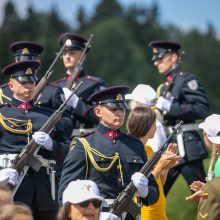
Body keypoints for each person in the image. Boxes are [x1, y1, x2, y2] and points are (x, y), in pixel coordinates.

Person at [58, 86, 159, 219]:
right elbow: (66, 193)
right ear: (98, 111)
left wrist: (144, 190)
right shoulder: (84, 145)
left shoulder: (135, 145)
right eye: (113, 109)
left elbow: (154, 194)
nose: (119, 113)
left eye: (122, 109)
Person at [0, 60, 73, 220]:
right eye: (24, 82)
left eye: (32, 82)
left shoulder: (49, 115)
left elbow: (67, 150)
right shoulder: (2, 114)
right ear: (11, 86)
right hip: (10, 187)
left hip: (44, 189)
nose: (29, 86)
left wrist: (51, 145)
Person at [148, 40, 209, 195]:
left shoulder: (187, 80)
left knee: (203, 195)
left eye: (160, 58)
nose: (156, 63)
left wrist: (170, 107)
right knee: (156, 194)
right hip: (169, 147)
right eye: (155, 59)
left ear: (174, 57)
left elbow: (201, 109)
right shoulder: (164, 86)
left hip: (187, 147)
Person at [126, 106, 180, 220]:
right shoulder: (131, 151)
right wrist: (160, 166)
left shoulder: (149, 149)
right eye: (154, 122)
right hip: (146, 211)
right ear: (145, 125)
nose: (156, 126)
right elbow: (139, 185)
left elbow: (158, 184)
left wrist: (166, 167)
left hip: (158, 208)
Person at [54, 33, 106, 133]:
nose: (67, 57)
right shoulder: (56, 85)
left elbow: (103, 116)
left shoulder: (95, 84)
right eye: (64, 53)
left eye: (72, 53)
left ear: (83, 56)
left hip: (84, 138)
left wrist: (77, 103)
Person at [0, 41, 64, 110]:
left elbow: (64, 118)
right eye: (21, 63)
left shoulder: (53, 90)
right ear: (15, 62)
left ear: (39, 63)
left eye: (31, 62)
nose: (27, 65)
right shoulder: (3, 92)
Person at [125, 84, 167, 152]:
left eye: (133, 101)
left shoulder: (151, 125)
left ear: (138, 104)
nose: (130, 104)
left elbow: (151, 154)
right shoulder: (152, 123)